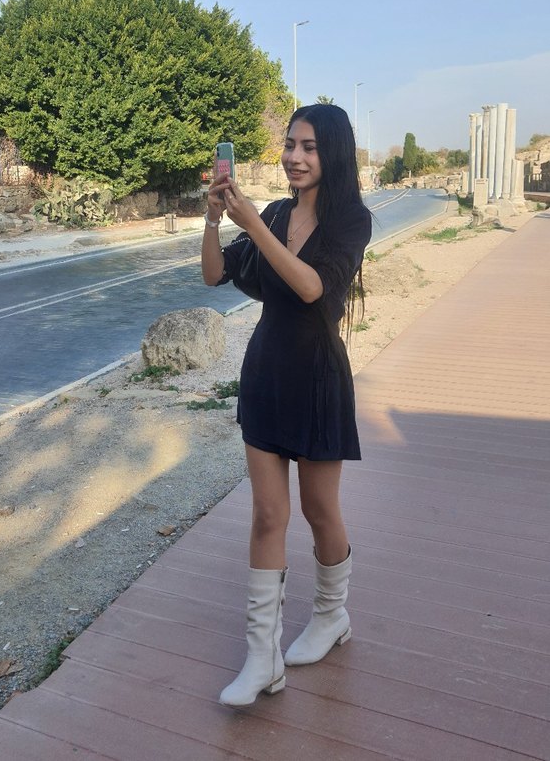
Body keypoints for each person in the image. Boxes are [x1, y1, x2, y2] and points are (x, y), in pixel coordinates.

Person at [201, 103, 372, 707]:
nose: (294, 157)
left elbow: (312, 287)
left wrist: (253, 224)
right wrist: (214, 220)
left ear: (333, 153)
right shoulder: (274, 213)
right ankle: (262, 658)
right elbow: (214, 275)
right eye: (290, 145)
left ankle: (331, 616)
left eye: (309, 147)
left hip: (319, 380)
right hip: (266, 375)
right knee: (267, 516)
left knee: (319, 510)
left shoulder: (351, 221)